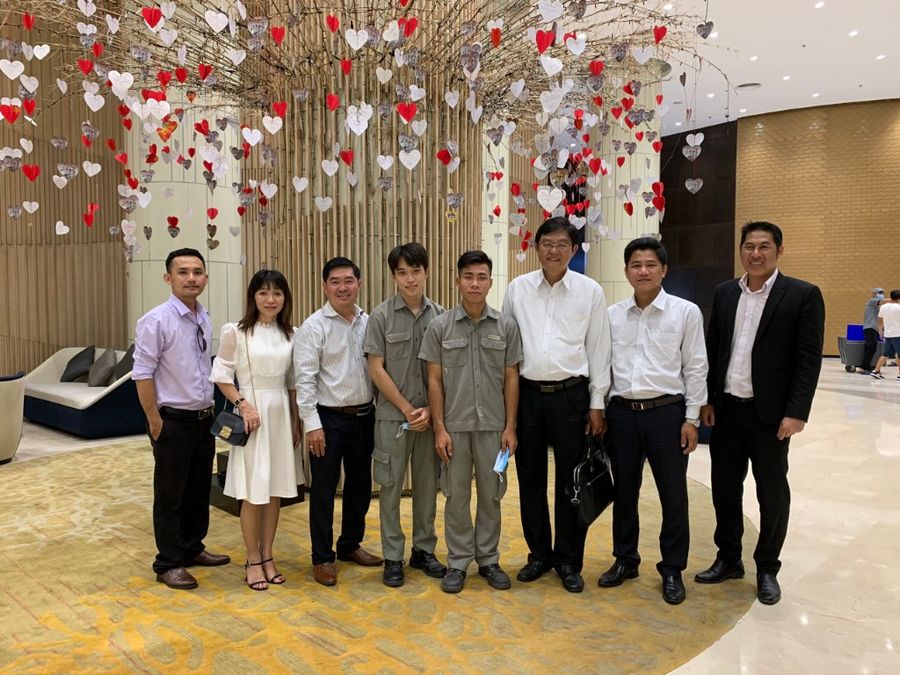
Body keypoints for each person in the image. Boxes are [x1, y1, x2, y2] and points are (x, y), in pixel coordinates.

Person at [697, 221, 825, 605]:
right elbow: (714, 347)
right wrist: (707, 398)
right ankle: (729, 558)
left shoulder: (802, 295)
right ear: (741, 250)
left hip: (770, 416)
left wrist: (797, 411)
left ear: (779, 251)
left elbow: (808, 360)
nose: (755, 254)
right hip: (727, 411)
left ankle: (767, 567)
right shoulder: (725, 293)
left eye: (764, 246)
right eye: (749, 246)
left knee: (772, 493)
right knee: (724, 488)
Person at [501, 216, 611, 593]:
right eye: (547, 243)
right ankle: (539, 555)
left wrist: (596, 403)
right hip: (528, 395)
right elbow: (507, 351)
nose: (554, 250)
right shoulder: (517, 289)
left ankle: (568, 560)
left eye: (562, 244)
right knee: (530, 479)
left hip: (571, 396)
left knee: (572, 481)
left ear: (574, 250)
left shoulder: (590, 291)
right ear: (536, 248)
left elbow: (599, 349)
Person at [600, 237, 708, 605]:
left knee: (673, 494)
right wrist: (601, 409)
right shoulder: (612, 315)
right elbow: (603, 366)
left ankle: (672, 568)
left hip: (667, 414)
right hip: (622, 414)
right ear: (626, 271)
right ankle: (625, 559)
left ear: (664, 270)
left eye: (650, 265)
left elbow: (696, 367)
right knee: (624, 493)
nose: (643, 271)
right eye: (636, 265)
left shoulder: (685, 312)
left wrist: (691, 418)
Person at [419, 251, 523, 594]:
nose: (475, 284)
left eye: (481, 277)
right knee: (456, 496)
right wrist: (439, 428)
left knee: (492, 495)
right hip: (455, 427)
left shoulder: (506, 326)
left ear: (490, 282)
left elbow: (512, 377)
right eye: (468, 277)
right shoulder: (440, 327)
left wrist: (510, 427)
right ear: (457, 281)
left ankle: (489, 560)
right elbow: (434, 380)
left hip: (494, 428)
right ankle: (459, 562)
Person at [132, 248, 231, 590]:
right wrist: (154, 419)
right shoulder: (156, 320)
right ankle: (168, 562)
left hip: (203, 418)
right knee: (170, 494)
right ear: (168, 278)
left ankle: (192, 547)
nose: (191, 278)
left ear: (205, 278)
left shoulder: (203, 316)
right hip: (172, 420)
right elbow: (142, 373)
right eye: (183, 272)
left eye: (197, 272)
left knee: (198, 489)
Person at [210, 270, 304, 591]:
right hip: (252, 416)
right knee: (252, 492)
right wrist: (243, 405)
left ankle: (268, 555)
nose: (270, 299)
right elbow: (221, 376)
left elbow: (292, 383)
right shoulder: (236, 332)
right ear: (253, 296)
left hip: (280, 415)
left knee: (274, 490)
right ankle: (252, 559)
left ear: (285, 298)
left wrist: (296, 421)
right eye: (263, 292)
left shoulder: (292, 333)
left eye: (277, 293)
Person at [293, 257, 382, 586]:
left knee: (360, 487)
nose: (343, 287)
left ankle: (349, 545)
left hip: (364, 417)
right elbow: (305, 379)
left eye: (349, 280)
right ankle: (322, 557)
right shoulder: (313, 326)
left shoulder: (368, 322)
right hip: (328, 420)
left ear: (359, 284)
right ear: (324, 286)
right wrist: (312, 424)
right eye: (335, 281)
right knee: (324, 491)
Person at [364, 243, 447, 587]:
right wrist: (407, 408)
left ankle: (423, 550)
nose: (410, 279)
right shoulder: (381, 316)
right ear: (393, 276)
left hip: (429, 419)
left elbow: (445, 372)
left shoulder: (441, 317)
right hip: (392, 418)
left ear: (426, 272)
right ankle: (393, 556)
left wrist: (430, 411)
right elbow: (376, 368)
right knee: (390, 487)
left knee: (427, 487)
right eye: (402, 272)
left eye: (415, 271)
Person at [870, 289, 900, 380]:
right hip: (897, 334)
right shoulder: (899, 308)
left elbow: (879, 320)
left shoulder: (883, 307)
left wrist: (880, 330)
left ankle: (876, 371)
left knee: (885, 354)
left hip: (888, 334)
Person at [860, 288, 884, 375]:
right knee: (871, 347)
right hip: (869, 328)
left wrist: (880, 330)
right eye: (880, 292)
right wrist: (894, 300)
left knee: (872, 348)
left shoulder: (876, 307)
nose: (882, 294)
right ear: (874, 293)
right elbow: (884, 301)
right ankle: (864, 367)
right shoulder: (872, 301)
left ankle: (868, 366)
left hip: (874, 329)